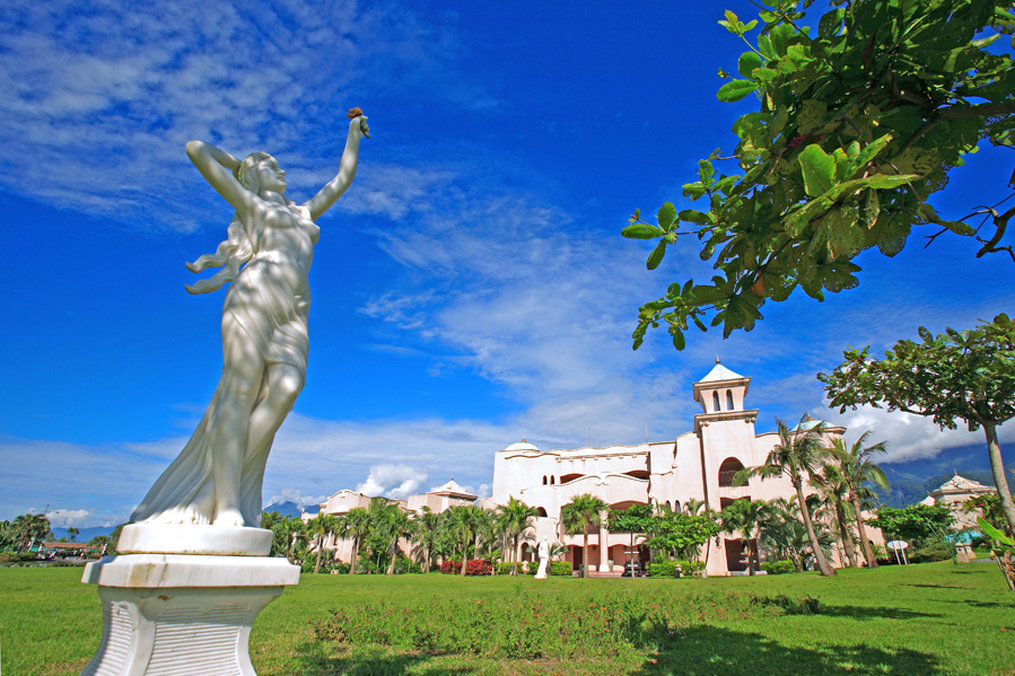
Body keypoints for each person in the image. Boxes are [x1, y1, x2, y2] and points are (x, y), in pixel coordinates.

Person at [131, 111, 370, 528]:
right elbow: (196, 150)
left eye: (279, 165)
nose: (282, 169)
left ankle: (216, 486)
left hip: (295, 309)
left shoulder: (306, 212)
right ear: (254, 178)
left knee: (286, 390)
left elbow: (342, 178)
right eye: (271, 166)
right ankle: (224, 504)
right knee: (239, 394)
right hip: (254, 296)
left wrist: (352, 135)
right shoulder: (251, 204)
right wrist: (239, 164)